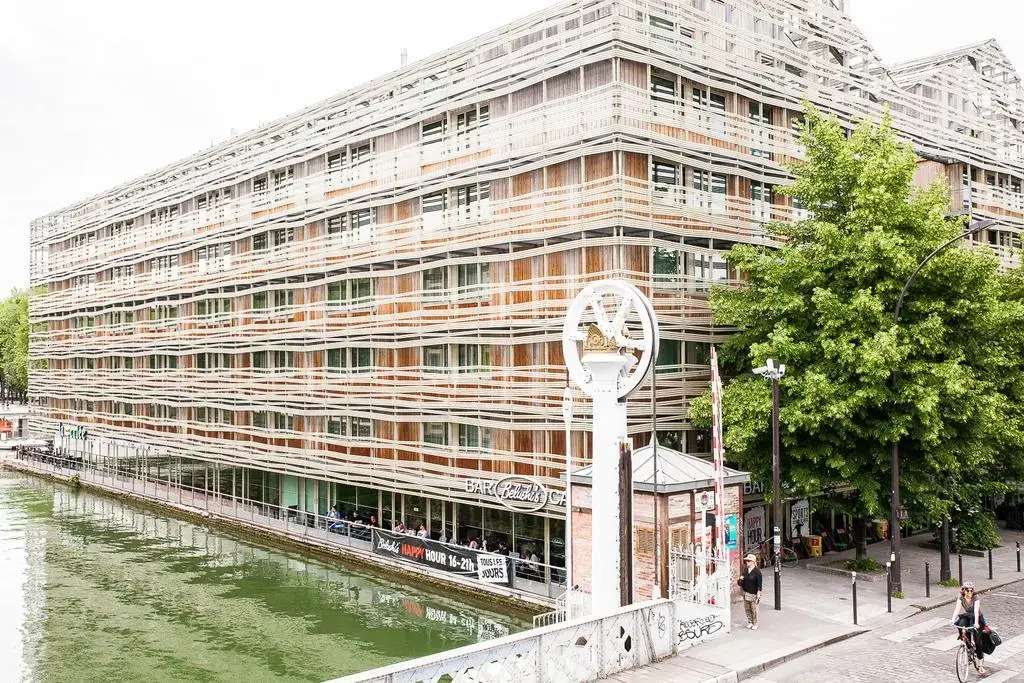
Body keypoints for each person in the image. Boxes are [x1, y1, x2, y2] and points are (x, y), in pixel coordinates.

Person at [951, 581, 988, 674]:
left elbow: (976, 611)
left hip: (977, 618)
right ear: (963, 590)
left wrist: (976, 623)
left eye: (971, 590)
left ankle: (980, 665)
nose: (969, 592)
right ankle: (966, 645)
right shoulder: (961, 598)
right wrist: (952, 619)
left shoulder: (976, 598)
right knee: (961, 625)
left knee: (977, 640)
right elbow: (957, 608)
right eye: (967, 590)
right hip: (967, 616)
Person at [739, 553, 762, 630]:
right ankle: (750, 622)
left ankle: (755, 623)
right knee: (747, 609)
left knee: (754, 609)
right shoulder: (745, 571)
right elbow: (740, 582)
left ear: (753, 562)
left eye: (749, 561)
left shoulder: (757, 572)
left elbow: (759, 584)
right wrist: (740, 580)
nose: (747, 562)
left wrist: (758, 594)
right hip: (746, 592)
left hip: (753, 593)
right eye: (746, 561)